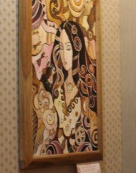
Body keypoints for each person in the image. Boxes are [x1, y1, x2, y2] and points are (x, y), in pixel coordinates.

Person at [39, 20, 98, 154]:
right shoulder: (54, 84)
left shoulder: (87, 86)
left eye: (68, 48)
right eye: (61, 47)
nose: (64, 55)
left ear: (77, 48)